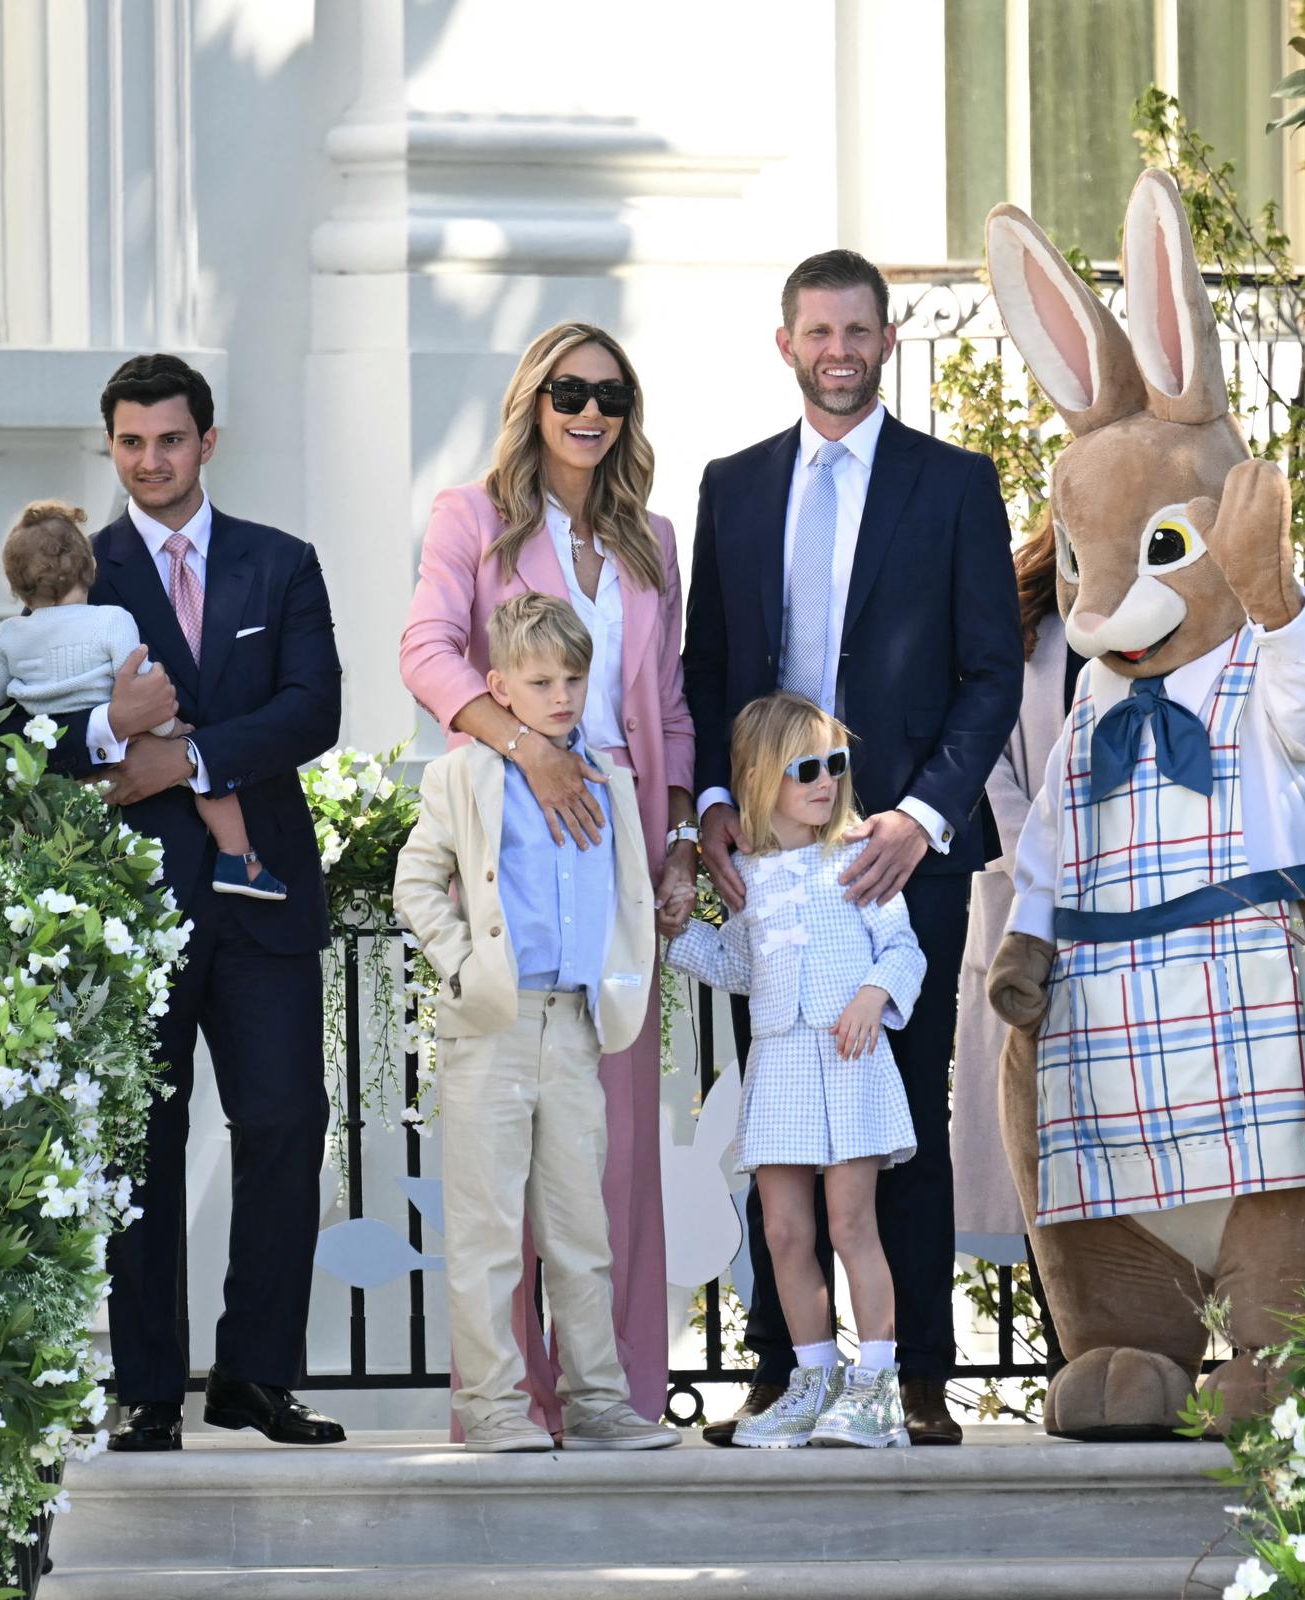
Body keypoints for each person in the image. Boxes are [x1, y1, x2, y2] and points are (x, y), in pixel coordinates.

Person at [682, 249, 1023, 1445]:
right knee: (781, 1116)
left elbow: (990, 674)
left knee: (899, 1106)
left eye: (858, 330)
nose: (839, 350)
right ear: (786, 343)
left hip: (902, 852)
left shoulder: (954, 484)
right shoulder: (732, 486)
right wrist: (711, 808)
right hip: (768, 864)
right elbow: (708, 669)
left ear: (886, 342)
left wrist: (919, 816)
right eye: (818, 330)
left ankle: (914, 1373)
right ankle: (790, 1373)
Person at [39, 353, 345, 1452]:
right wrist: (111, 733)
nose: (151, 460)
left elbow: (315, 710)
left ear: (205, 442)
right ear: (111, 446)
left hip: (262, 897)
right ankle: (148, 1385)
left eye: (170, 440)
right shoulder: (81, 568)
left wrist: (193, 756)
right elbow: (25, 731)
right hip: (132, 907)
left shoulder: (282, 564)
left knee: (282, 1125)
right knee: (140, 1141)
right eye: (131, 442)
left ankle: (256, 1376)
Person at [400, 322, 696, 1436]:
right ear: (534, 400)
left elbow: (663, 708)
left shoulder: (651, 537)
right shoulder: (471, 518)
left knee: (604, 1161)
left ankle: (612, 1393)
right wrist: (533, 750)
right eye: (568, 391)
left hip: (614, 851)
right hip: (522, 827)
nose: (589, 412)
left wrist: (672, 843)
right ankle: (503, 1401)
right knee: (500, 1175)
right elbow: (427, 651)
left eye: (610, 396)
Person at [394, 594, 677, 1454]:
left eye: (574, 679)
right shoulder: (462, 777)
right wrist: (465, 968)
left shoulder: (613, 782)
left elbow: (627, 891)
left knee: (579, 1230)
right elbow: (415, 885)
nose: (561, 696)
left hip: (578, 1027)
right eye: (540, 680)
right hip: (494, 1026)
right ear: (499, 686)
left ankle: (596, 1404)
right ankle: (492, 1409)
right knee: (486, 1232)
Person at [665, 693, 926, 1449]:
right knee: (783, 1230)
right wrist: (672, 938)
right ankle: (812, 1382)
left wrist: (875, 996)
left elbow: (903, 949)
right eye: (804, 769)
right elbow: (739, 966)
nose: (824, 782)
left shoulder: (857, 856)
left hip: (850, 1062)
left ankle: (876, 1388)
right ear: (758, 777)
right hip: (779, 1064)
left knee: (851, 1224)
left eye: (834, 766)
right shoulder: (745, 876)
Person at [0, 500, 281, 900]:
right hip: (129, 744)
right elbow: (142, 688)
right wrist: (174, 731)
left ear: (16, 584)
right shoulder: (111, 620)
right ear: (90, 568)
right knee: (205, 772)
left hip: (59, 761)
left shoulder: (11, 635)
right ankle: (238, 860)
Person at [952, 508, 1078, 1248]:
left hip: (1127, 906)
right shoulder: (1020, 610)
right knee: (1027, 1133)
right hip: (1020, 901)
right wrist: (1033, 851)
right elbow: (980, 743)